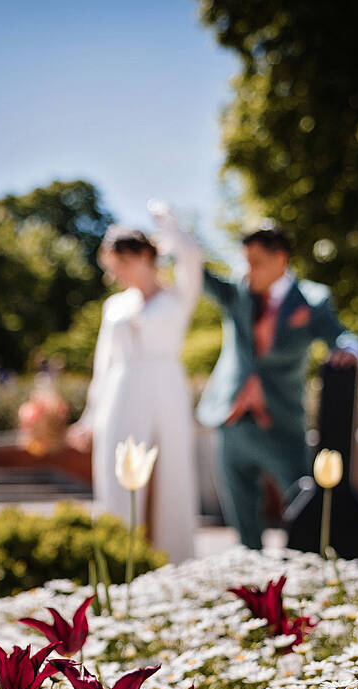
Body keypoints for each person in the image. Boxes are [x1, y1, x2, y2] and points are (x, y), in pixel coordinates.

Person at [193, 220, 358, 551]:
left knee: (306, 503)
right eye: (244, 262)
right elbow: (201, 278)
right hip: (232, 420)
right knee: (242, 518)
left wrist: (350, 350)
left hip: (282, 425)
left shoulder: (312, 300)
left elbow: (337, 334)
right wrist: (181, 245)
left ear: (280, 259)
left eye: (255, 263)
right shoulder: (239, 293)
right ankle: (252, 586)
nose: (248, 271)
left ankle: (310, 571)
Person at [67, 204, 201, 561]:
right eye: (113, 268)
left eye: (122, 264)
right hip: (121, 392)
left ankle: (174, 562)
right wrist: (89, 418)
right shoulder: (114, 306)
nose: (118, 275)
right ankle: (120, 560)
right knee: (118, 477)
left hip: (167, 390)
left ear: (144, 256)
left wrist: (168, 221)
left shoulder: (178, 296)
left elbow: (191, 254)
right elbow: (103, 364)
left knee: (171, 474)